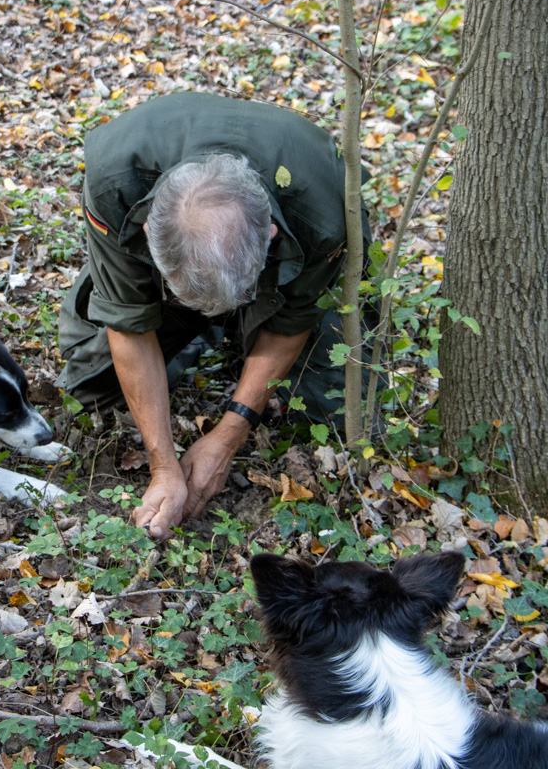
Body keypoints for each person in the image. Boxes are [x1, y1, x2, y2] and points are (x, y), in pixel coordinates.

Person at [57, 91, 369, 540]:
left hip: (298, 237)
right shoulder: (115, 179)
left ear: (273, 235)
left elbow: (291, 323)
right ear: (148, 232)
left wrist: (228, 436)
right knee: (92, 381)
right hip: (164, 222)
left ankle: (233, 328)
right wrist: (163, 463)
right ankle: (208, 330)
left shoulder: (325, 211)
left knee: (332, 413)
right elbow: (126, 321)